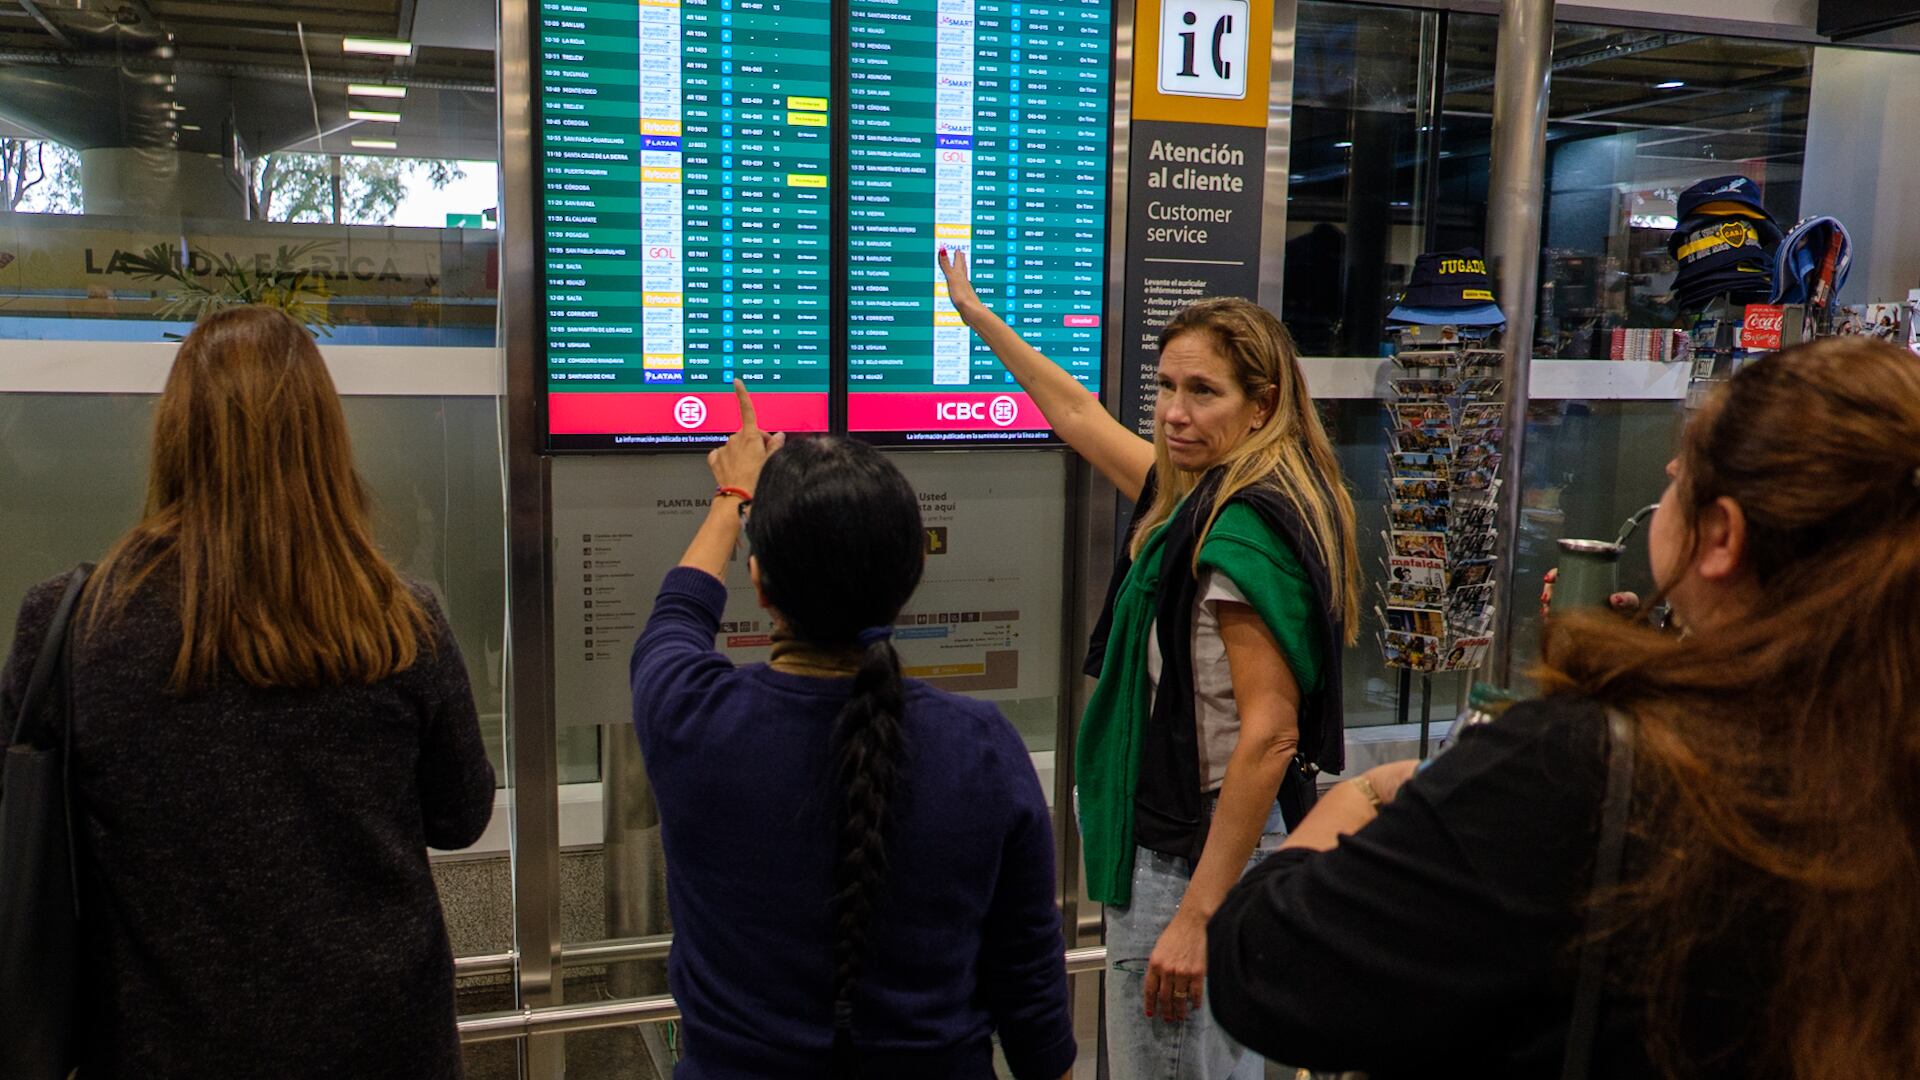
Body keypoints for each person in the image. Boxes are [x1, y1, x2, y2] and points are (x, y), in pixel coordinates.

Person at [1206, 336, 1920, 1078]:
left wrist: (1362, 793)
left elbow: (1261, 964)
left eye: (1683, 472)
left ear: (1720, 537)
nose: (1665, 474)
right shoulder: (1874, 761)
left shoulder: (1582, 770)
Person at [0, 306, 496, 1078]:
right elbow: (461, 818)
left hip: (156, 1048)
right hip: (383, 1045)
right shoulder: (401, 624)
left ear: (174, 438)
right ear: (325, 445)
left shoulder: (72, 628)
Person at [939, 250, 1361, 1080]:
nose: (1174, 412)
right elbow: (1079, 417)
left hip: (1193, 855)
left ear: (1260, 406)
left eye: (1203, 392)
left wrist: (1196, 915)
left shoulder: (1239, 538)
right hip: (1200, 846)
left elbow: (1269, 736)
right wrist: (981, 319)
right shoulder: (1200, 501)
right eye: (1166, 387)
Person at [628, 383, 1075, 1079]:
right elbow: (1029, 977)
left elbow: (676, 615)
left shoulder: (690, 718)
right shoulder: (981, 748)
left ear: (760, 585)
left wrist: (733, 497)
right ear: (913, 574)